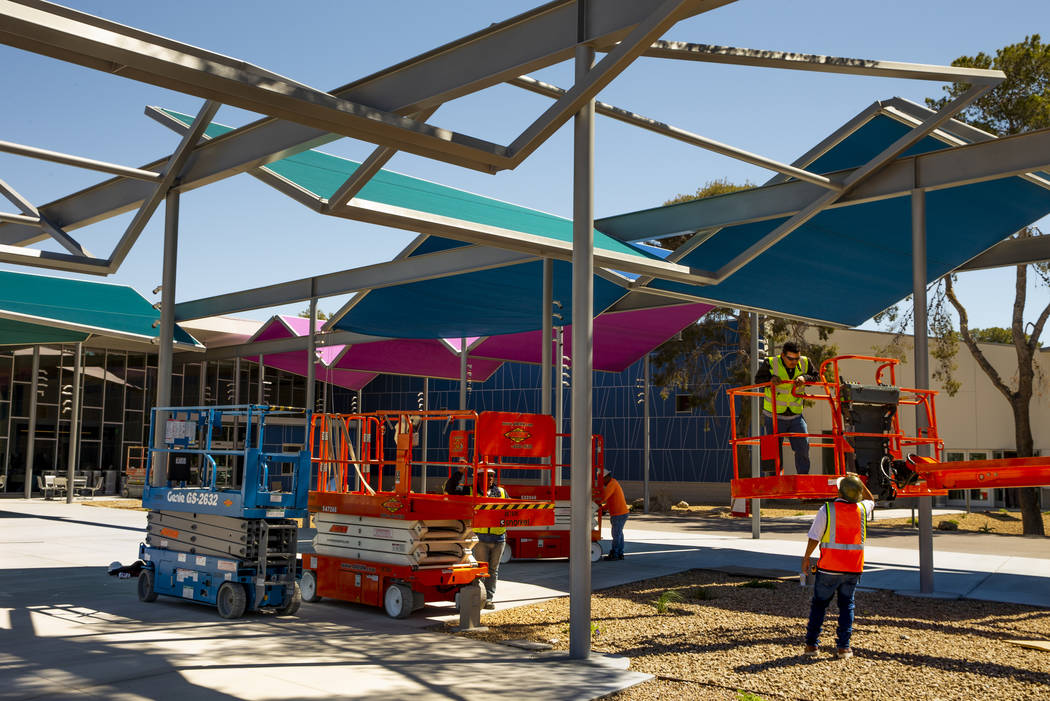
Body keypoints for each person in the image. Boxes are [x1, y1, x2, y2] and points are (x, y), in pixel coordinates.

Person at [801, 473, 875, 660]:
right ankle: (843, 648)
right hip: (852, 568)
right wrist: (859, 481)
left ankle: (811, 645)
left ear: (839, 491)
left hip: (828, 568)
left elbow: (814, 537)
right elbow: (871, 499)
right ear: (857, 494)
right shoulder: (861, 508)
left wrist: (806, 557)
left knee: (819, 606)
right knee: (846, 606)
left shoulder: (827, 509)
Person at [444, 466, 507, 609]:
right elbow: (450, 489)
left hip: (499, 538)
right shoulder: (470, 491)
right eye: (486, 475)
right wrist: (460, 472)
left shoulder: (502, 492)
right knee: (480, 569)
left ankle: (488, 599)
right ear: (477, 477)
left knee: (493, 570)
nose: (490, 478)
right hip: (481, 539)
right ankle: (480, 597)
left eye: (491, 475)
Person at [754, 341, 819, 474]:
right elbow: (758, 379)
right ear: (783, 355)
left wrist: (804, 378)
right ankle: (775, 479)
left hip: (796, 416)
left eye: (797, 358)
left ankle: (803, 478)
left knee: (803, 447)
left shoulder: (805, 362)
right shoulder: (770, 362)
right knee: (773, 452)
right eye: (791, 359)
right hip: (773, 416)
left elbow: (815, 376)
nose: (794, 362)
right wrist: (770, 379)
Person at [600, 468, 629, 561]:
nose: (601, 482)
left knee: (616, 534)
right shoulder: (613, 484)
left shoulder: (612, 484)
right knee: (619, 534)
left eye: (601, 479)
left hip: (619, 514)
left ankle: (615, 553)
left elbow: (604, 497)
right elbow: (610, 502)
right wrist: (602, 509)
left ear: (606, 477)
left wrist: (595, 502)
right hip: (620, 513)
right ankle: (620, 553)